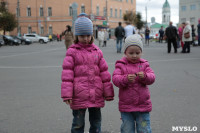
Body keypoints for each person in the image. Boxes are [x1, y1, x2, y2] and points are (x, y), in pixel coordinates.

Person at [61, 14, 114, 133]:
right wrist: (67, 94)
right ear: (76, 36)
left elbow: (104, 74)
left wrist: (108, 92)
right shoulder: (72, 52)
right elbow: (67, 75)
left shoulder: (97, 51)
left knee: (96, 123)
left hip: (96, 94)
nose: (85, 38)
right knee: (78, 124)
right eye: (82, 36)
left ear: (92, 35)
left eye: (88, 35)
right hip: (78, 95)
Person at [112, 34, 155, 133]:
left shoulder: (144, 65)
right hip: (126, 106)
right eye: (131, 53)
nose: (134, 55)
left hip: (143, 106)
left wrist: (145, 76)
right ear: (125, 52)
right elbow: (115, 79)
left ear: (141, 52)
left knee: (144, 129)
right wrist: (125, 79)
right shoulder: (121, 65)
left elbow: (152, 77)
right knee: (127, 129)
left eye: (137, 52)